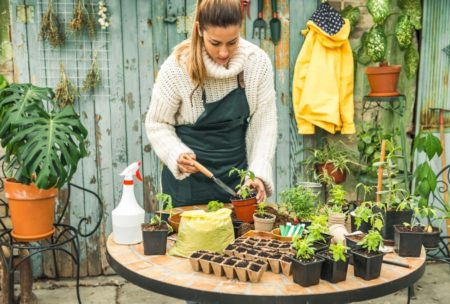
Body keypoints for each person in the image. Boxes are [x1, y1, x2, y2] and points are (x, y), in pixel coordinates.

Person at [145, 0, 277, 208]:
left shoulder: (257, 63)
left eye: (232, 42)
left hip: (237, 184)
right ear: (199, 30)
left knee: (240, 240)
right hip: (187, 187)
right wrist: (176, 153)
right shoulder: (177, 66)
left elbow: (264, 123)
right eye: (215, 43)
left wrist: (257, 173)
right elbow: (157, 124)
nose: (224, 53)